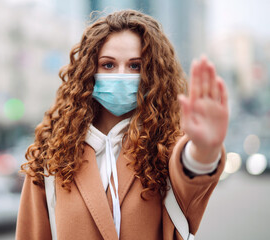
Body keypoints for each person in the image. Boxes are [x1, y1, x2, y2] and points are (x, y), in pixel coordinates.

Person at [16, 10, 228, 240]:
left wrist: (205, 149)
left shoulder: (167, 147)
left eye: (135, 66)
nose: (121, 75)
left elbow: (193, 169)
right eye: (108, 65)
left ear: (153, 74)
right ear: (89, 71)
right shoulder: (51, 155)